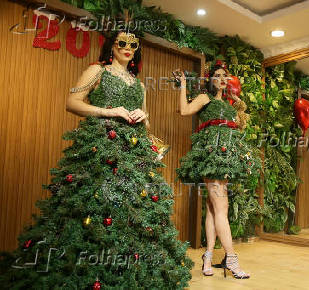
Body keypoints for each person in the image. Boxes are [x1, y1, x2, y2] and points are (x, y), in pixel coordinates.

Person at [0, 31, 192, 289]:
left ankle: (130, 274)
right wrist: (108, 111)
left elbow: (147, 126)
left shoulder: (140, 85)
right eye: (121, 43)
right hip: (100, 149)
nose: (127, 47)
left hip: (134, 155)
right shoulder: (97, 71)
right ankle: (87, 274)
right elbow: (72, 101)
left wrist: (143, 115)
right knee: (94, 210)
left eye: (133, 44)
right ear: (111, 46)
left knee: (132, 213)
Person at [174, 60, 260, 279]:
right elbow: (184, 111)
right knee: (221, 206)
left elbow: (239, 127)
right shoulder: (205, 98)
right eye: (218, 75)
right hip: (211, 155)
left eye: (225, 76)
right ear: (210, 79)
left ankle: (208, 256)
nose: (222, 79)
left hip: (227, 155)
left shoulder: (230, 104)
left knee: (214, 208)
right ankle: (231, 258)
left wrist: (240, 108)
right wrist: (183, 85)